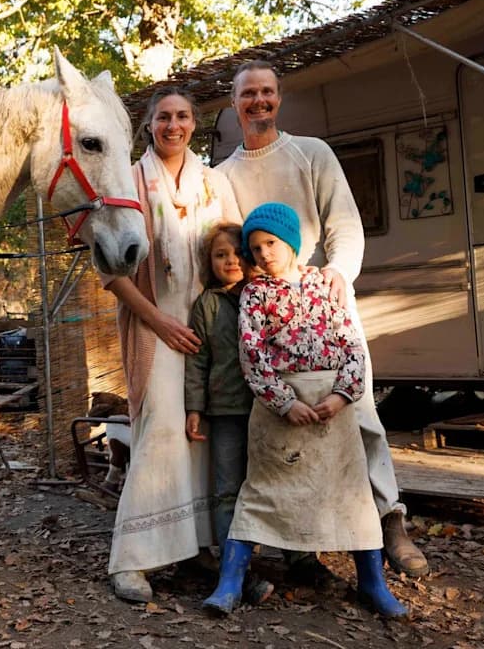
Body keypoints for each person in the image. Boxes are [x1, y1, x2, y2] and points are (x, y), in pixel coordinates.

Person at [213, 60, 429, 580]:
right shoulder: (221, 175)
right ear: (234, 102)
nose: (258, 101)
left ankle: (388, 521)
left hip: (320, 300)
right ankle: (297, 546)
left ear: (279, 98)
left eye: (267, 92)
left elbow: (345, 222)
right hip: (264, 313)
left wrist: (337, 273)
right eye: (248, 94)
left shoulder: (311, 152)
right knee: (279, 431)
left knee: (360, 416)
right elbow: (221, 240)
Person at [202, 202, 407, 619]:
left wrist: (343, 395)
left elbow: (351, 344)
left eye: (271, 244)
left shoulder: (323, 285)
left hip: (334, 408)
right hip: (280, 412)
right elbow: (252, 353)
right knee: (261, 494)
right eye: (255, 249)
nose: (263, 255)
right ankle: (231, 583)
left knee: (353, 495)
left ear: (291, 243)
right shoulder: (256, 294)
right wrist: (283, 401)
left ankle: (373, 583)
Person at [102, 87, 241, 603]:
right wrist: (158, 321)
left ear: (194, 123)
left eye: (183, 116)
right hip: (154, 324)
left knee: (202, 435)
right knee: (160, 430)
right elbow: (110, 272)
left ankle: (199, 545)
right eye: (164, 117)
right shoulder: (129, 180)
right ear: (149, 125)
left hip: (209, 329)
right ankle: (133, 560)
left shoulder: (215, 182)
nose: (174, 125)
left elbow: (235, 251)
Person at [184, 220, 274, 605]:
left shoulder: (266, 293)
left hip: (270, 409)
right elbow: (198, 361)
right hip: (225, 410)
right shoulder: (206, 304)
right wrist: (194, 408)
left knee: (275, 485)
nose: (232, 260)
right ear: (209, 261)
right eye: (221, 255)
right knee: (226, 491)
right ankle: (234, 573)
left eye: (238, 252)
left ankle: (301, 559)